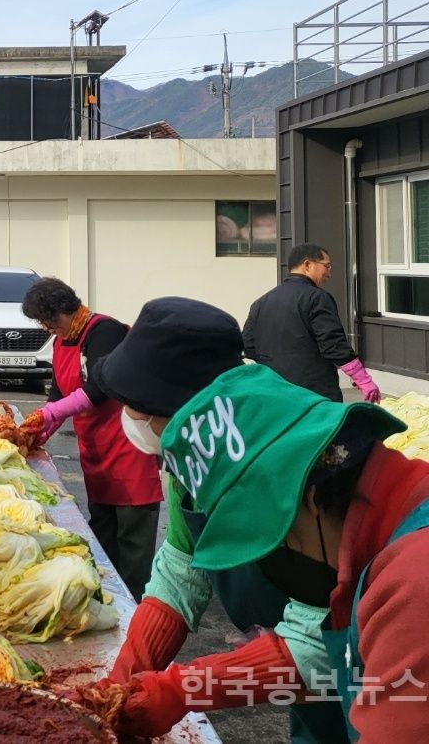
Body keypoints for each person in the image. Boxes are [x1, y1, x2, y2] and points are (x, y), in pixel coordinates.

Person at [109, 366, 429, 740]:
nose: (271, 562)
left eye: (268, 542)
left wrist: (184, 689)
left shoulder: (412, 584)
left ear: (307, 499)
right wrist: (182, 690)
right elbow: (333, 679)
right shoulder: (376, 541)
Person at [85, 297, 351, 744]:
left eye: (135, 407)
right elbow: (180, 571)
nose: (128, 419)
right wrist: (122, 683)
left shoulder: (306, 471)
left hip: (372, 677)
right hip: (300, 679)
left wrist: (182, 688)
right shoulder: (192, 464)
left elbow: (320, 638)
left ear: (191, 409)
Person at [19, 278, 160, 597]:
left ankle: (136, 608)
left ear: (59, 312)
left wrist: (50, 415)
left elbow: (100, 387)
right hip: (95, 449)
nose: (46, 329)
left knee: (133, 539)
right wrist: (37, 433)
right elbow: (57, 395)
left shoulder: (103, 331)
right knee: (102, 534)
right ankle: (105, 598)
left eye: (45, 321)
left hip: (128, 446)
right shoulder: (60, 341)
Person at [243, 242, 381, 404]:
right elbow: (333, 344)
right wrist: (362, 379)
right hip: (313, 392)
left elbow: (248, 345)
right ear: (307, 264)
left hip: (273, 390)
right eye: (327, 266)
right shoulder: (316, 298)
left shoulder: (261, 302)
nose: (329, 274)